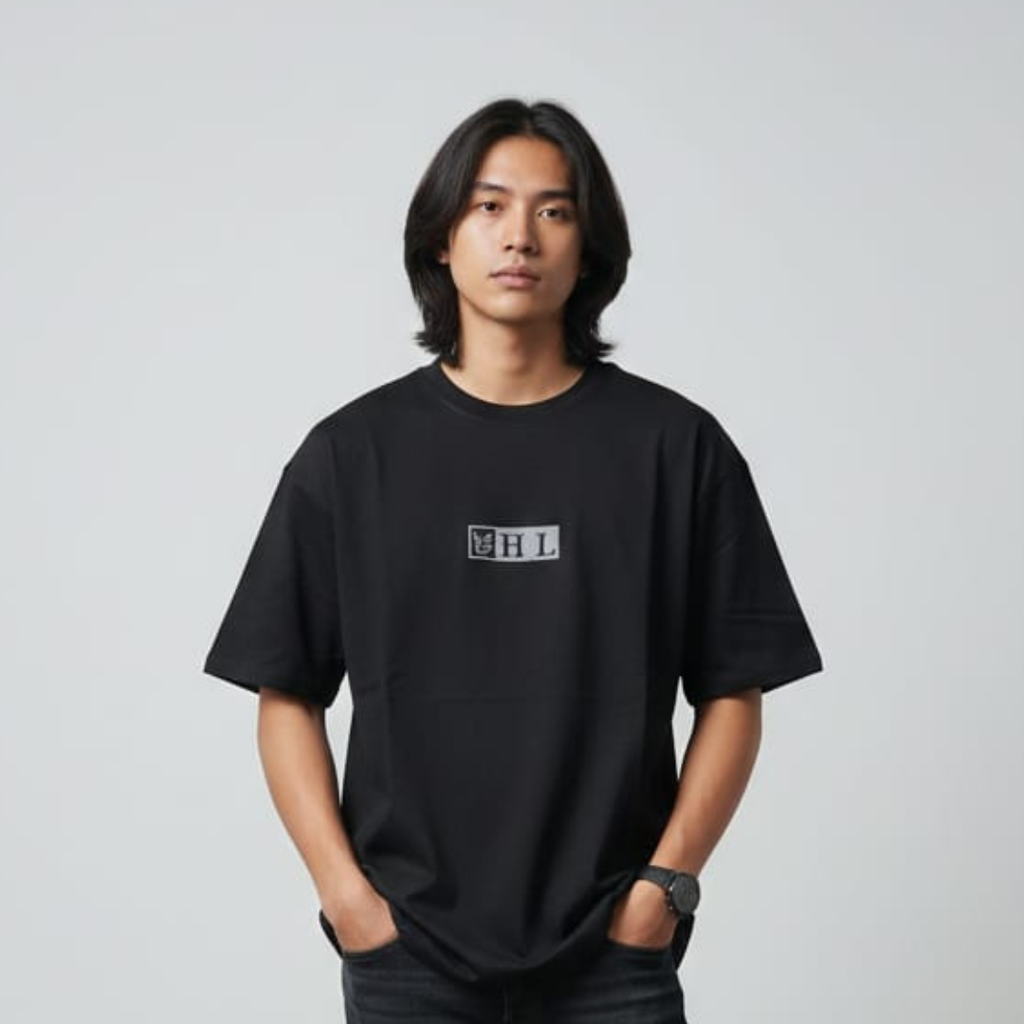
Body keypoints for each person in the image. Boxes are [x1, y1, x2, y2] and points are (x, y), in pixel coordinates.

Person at [202, 97, 824, 1023]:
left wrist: (665, 887)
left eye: (554, 210)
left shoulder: (675, 448)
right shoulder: (351, 455)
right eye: (489, 206)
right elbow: (283, 690)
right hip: (406, 956)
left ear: (590, 248)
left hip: (614, 955)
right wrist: (346, 898)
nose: (519, 236)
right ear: (441, 239)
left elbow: (735, 690)